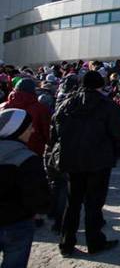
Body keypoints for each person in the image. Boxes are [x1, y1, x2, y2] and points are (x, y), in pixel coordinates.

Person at [50, 70, 120, 256]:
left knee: (73, 202)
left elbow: (55, 131)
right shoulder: (108, 106)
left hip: (72, 160)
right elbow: (118, 134)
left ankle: (66, 243)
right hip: (99, 161)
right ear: (100, 85)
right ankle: (94, 241)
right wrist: (117, 152)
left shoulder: (66, 104)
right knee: (94, 203)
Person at [0, 109, 51, 267]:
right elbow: (39, 197)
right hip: (17, 223)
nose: (33, 130)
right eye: (29, 127)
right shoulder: (27, 159)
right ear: (17, 129)